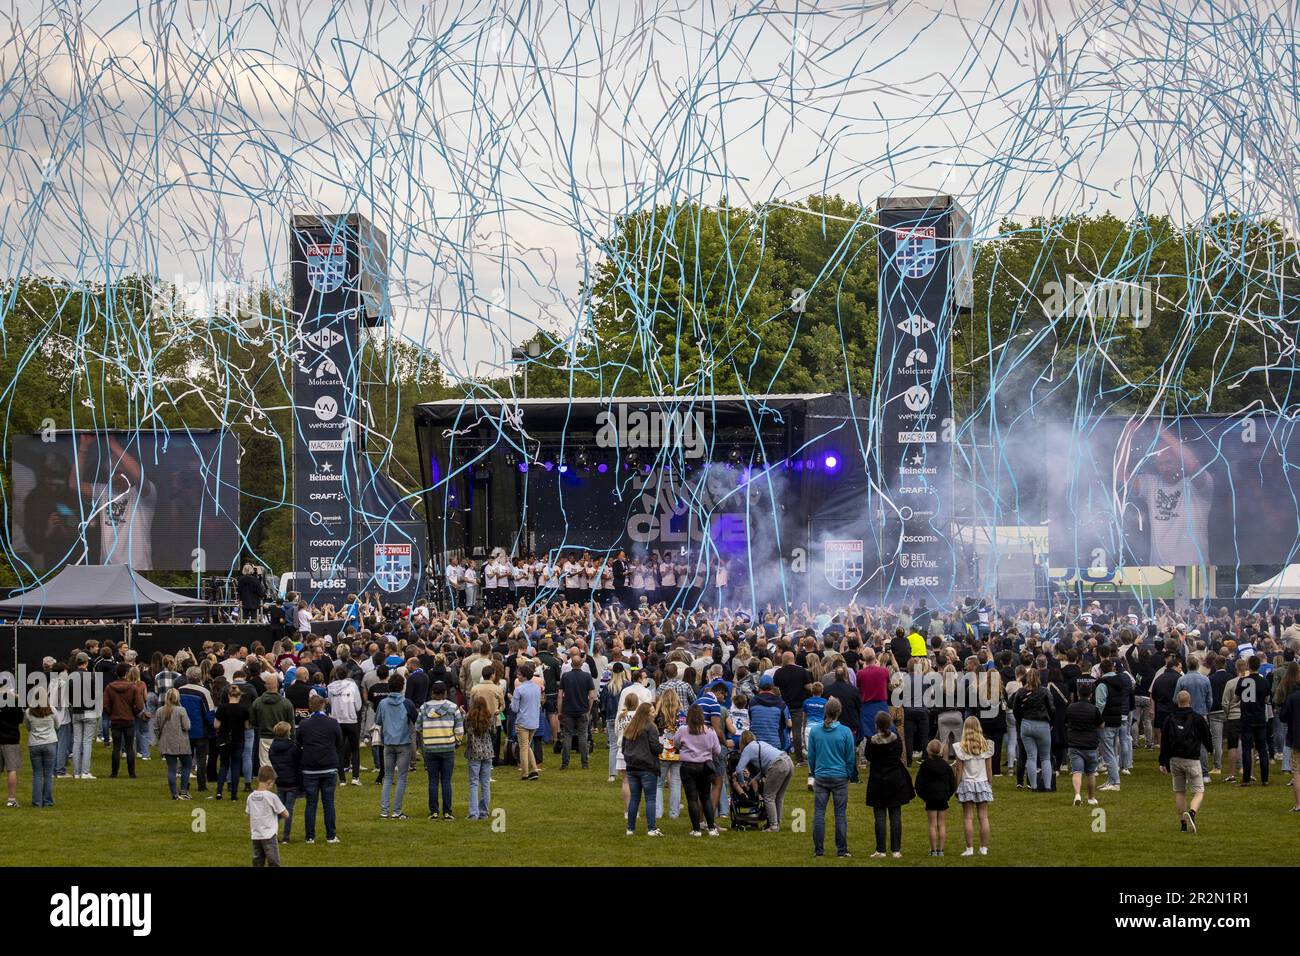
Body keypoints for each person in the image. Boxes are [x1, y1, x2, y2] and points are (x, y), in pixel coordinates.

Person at [1159, 689, 1213, 833]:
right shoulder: (1197, 718)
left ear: (1177, 701)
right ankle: (1192, 812)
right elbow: (1206, 736)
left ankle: (1183, 824)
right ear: (1190, 701)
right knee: (1199, 791)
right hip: (1192, 758)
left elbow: (1164, 741)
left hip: (1175, 759)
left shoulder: (1170, 718)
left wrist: (1162, 761)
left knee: (1180, 792)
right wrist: (1210, 749)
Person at [806, 696, 854, 858]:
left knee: (819, 813)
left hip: (821, 775)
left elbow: (811, 756)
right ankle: (841, 850)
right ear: (839, 712)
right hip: (839, 776)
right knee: (840, 814)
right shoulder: (845, 731)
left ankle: (818, 851)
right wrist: (848, 773)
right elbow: (850, 757)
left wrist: (813, 772)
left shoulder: (816, 731)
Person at [863, 709, 914, 858]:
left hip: (878, 779)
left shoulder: (872, 741)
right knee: (895, 815)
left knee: (880, 816)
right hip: (894, 779)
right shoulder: (896, 739)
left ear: (876, 725)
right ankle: (896, 850)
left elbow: (869, 757)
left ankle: (881, 850)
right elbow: (898, 753)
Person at [297, 694, 343, 844]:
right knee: (328, 803)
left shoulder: (304, 724)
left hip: (310, 768)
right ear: (323, 705)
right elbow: (339, 741)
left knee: (311, 803)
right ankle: (331, 835)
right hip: (328, 766)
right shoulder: (332, 722)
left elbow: (299, 742)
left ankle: (310, 836)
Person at [374, 673, 419, 820]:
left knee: (388, 777)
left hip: (388, 742)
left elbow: (378, 721)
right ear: (402, 687)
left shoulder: (383, 703)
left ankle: (384, 810)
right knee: (401, 778)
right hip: (404, 743)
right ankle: (397, 811)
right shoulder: (407, 703)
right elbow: (416, 719)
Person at [673, 703, 722, 837]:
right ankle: (711, 828)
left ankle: (696, 829)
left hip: (688, 766)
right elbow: (717, 750)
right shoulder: (710, 731)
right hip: (705, 766)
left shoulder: (683, 730)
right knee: (705, 797)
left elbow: (676, 743)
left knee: (692, 799)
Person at [418, 681, 464, 820]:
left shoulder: (423, 708)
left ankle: (434, 811)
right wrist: (457, 742)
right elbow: (459, 729)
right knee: (446, 781)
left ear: (432, 693)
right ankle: (447, 811)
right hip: (447, 747)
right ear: (445, 693)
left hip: (430, 747)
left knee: (432, 780)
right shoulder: (453, 707)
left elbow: (418, 727)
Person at [736, 729, 794, 833]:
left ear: (742, 742)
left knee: (768, 796)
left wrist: (742, 783)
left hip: (778, 765)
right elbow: (765, 767)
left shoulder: (748, 749)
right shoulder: (761, 743)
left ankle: (773, 826)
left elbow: (739, 769)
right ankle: (777, 823)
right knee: (779, 796)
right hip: (788, 761)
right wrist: (755, 779)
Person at [953, 715, 994, 856]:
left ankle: (969, 849)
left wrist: (956, 786)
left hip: (967, 784)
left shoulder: (961, 747)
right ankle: (984, 848)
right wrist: (990, 784)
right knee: (983, 817)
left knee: (968, 817)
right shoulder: (986, 745)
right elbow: (989, 769)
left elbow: (959, 769)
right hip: (982, 783)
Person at [621, 701, 664, 836]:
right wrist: (662, 745)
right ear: (646, 714)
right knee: (650, 798)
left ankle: (630, 828)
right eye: (652, 711)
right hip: (647, 767)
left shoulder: (629, 727)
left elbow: (623, 748)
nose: (654, 713)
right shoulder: (650, 727)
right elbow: (656, 748)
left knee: (635, 798)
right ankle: (651, 828)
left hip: (632, 766)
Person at [1012, 667, 1055, 792]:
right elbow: (1052, 708)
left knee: (1031, 757)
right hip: (1042, 724)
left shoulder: (1020, 692)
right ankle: (1047, 786)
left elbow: (1016, 710)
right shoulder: (1045, 691)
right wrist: (1051, 722)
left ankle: (1034, 786)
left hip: (1026, 724)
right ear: (1039, 677)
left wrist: (1021, 721)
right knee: (1045, 757)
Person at [913, 739, 956, 856]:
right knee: (941, 824)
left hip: (930, 797)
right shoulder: (946, 766)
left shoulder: (925, 765)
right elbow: (952, 783)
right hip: (942, 797)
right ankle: (940, 850)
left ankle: (933, 850)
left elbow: (918, 784)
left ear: (928, 751)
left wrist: (923, 797)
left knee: (932, 824)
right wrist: (948, 795)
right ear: (941, 751)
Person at [1065, 681, 1104, 807]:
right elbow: (1101, 725)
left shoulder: (1071, 707)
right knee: (1091, 773)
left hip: (1075, 744)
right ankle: (1091, 798)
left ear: (1078, 694)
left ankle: (1077, 794)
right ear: (1090, 695)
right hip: (1090, 744)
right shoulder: (1094, 709)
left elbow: (1066, 722)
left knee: (1077, 771)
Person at [103, 662, 145, 779]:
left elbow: (105, 705)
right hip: (129, 719)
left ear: (116, 673)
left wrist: (111, 713)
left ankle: (114, 772)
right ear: (126, 673)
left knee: (116, 747)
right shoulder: (133, 687)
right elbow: (140, 705)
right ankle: (132, 773)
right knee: (129, 747)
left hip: (116, 720)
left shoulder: (109, 687)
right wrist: (134, 712)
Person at [150, 688, 193, 800]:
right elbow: (187, 726)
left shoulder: (160, 711)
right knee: (187, 765)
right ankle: (183, 791)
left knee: (171, 768)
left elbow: (156, 728)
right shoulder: (181, 710)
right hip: (181, 742)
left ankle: (174, 793)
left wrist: (160, 738)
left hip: (167, 742)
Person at [557, 650, 596, 770]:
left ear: (572, 664)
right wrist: (589, 709)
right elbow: (592, 695)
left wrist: (559, 711)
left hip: (568, 710)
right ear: (581, 664)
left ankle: (565, 763)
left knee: (567, 736)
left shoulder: (565, 676)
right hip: (583, 709)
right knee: (583, 736)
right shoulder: (587, 676)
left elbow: (560, 695)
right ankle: (585, 763)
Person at [1237, 656, 1271, 787]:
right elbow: (1267, 700)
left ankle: (1246, 779)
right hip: (1260, 718)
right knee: (1262, 748)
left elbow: (1236, 697)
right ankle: (1265, 779)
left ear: (1248, 665)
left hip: (1246, 718)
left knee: (1247, 748)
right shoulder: (1264, 681)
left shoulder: (1243, 680)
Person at [247, 765, 288, 867]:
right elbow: (285, 814)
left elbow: (249, 812)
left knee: (257, 862)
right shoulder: (271, 797)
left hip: (256, 834)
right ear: (269, 782)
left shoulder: (250, 797)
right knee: (274, 862)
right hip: (269, 834)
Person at [267, 722, 302, 843]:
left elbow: (272, 760)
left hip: (280, 781)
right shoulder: (293, 746)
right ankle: (285, 836)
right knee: (288, 810)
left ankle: (272, 832)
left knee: (278, 810)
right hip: (293, 782)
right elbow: (299, 762)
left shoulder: (272, 747)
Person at [213, 684, 249, 801]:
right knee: (235, 766)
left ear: (228, 695)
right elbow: (247, 726)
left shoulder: (222, 707)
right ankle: (234, 795)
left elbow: (216, 724)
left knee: (224, 765)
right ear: (239, 696)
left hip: (224, 738)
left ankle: (219, 792)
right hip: (238, 739)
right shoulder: (244, 709)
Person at [24, 687, 58, 808]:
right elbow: (57, 725)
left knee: (37, 774)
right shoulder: (52, 710)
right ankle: (48, 801)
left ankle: (37, 802)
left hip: (34, 744)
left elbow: (27, 727)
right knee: (48, 774)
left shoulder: (28, 712)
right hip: (50, 743)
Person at [464, 695, 496, 820]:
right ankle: (484, 811)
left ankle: (473, 813)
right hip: (488, 752)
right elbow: (494, 732)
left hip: (474, 752)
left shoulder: (469, 718)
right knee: (485, 782)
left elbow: (467, 731)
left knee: (473, 783)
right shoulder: (489, 717)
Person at [511, 663, 542, 781]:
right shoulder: (536, 687)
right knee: (527, 746)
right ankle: (534, 769)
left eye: (519, 674)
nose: (517, 676)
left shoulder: (519, 689)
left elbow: (514, 708)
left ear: (524, 676)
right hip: (534, 720)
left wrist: (511, 701)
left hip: (523, 721)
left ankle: (525, 773)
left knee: (523, 747)